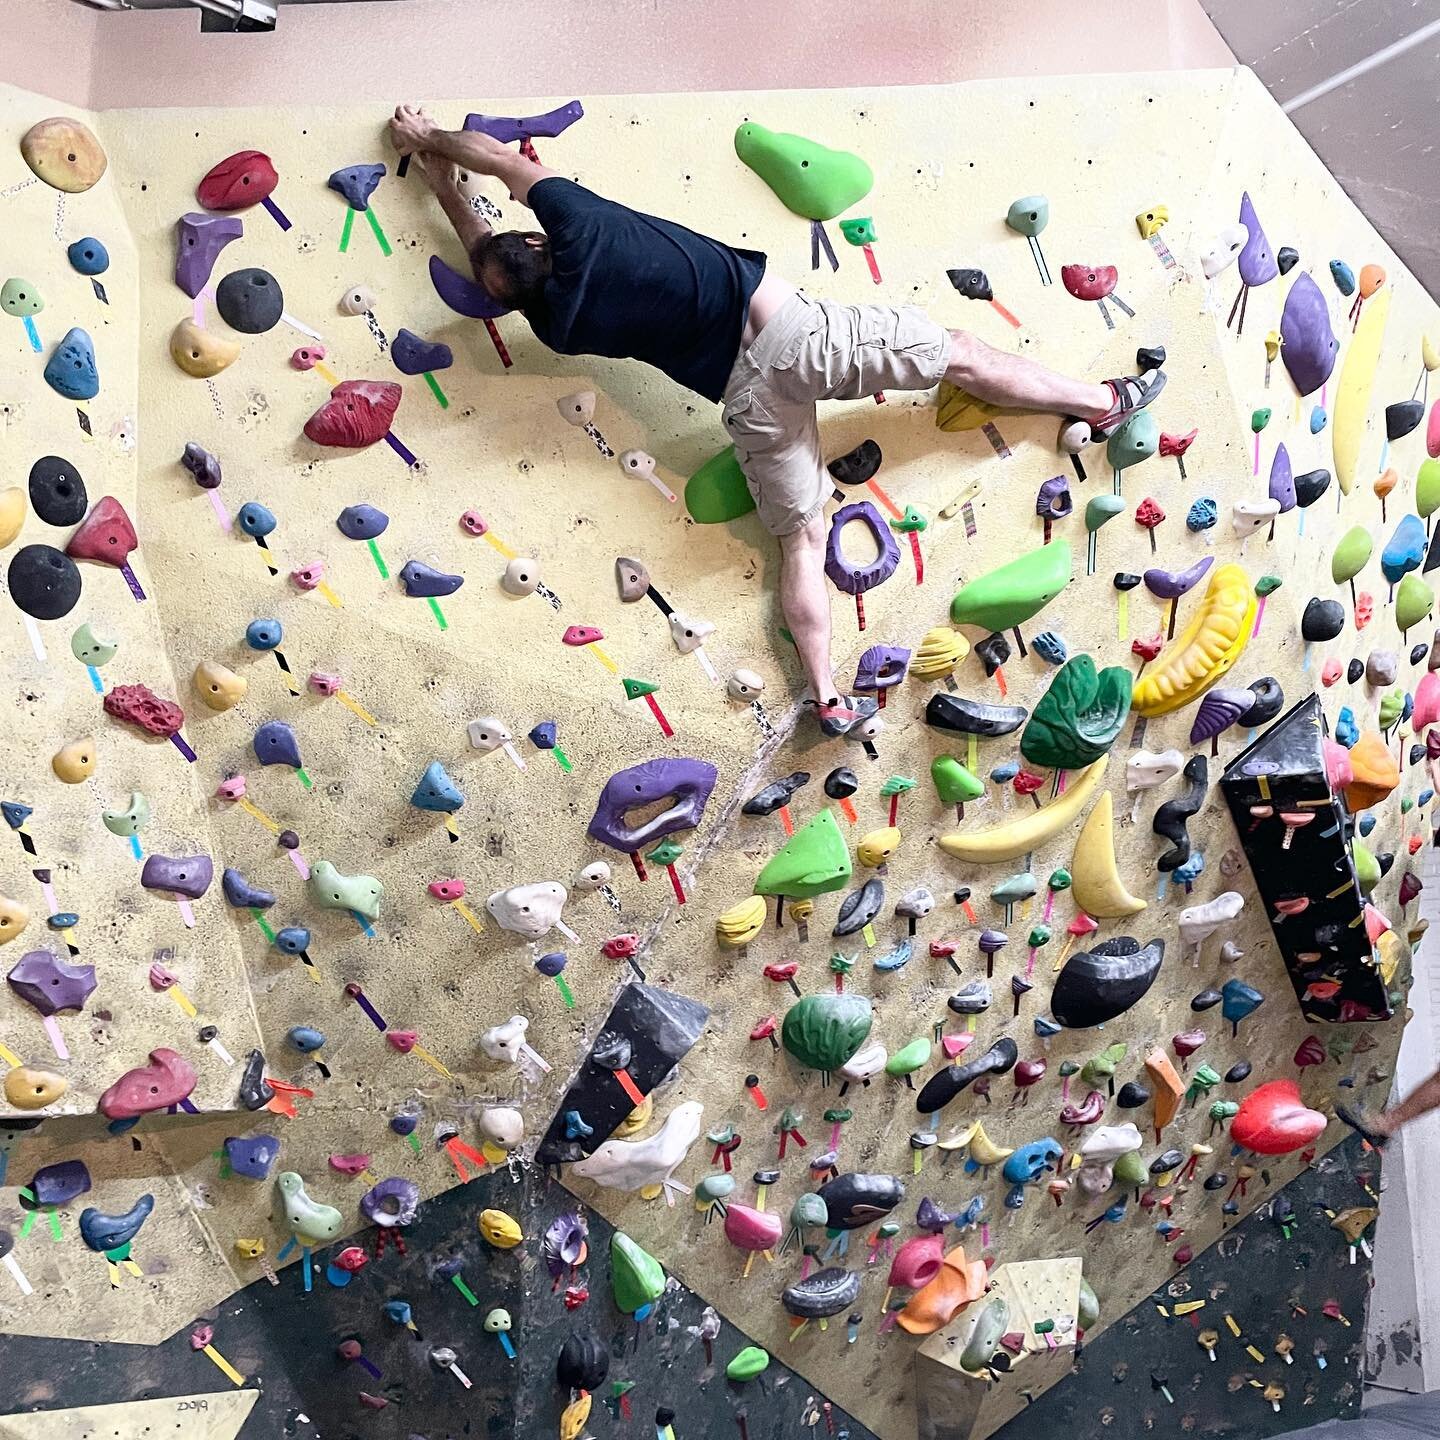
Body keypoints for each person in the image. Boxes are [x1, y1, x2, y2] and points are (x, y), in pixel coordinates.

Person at [389, 105, 1166, 738]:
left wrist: (441, 188)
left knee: (803, 536)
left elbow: (493, 268)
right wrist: (432, 142)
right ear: (535, 237)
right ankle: (1104, 403)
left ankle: (828, 695)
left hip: (744, 395)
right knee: (957, 352)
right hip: (791, 334)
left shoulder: (554, 324)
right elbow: (498, 158)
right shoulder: (574, 221)